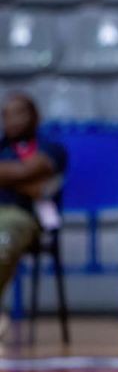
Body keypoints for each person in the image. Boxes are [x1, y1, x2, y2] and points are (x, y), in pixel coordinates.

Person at [0, 93, 67, 340]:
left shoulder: (51, 148)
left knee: (2, 240)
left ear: (34, 116)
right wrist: (24, 178)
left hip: (24, 215)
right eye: (7, 115)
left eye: (20, 113)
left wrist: (16, 176)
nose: (13, 120)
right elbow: (29, 177)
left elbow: (39, 182)